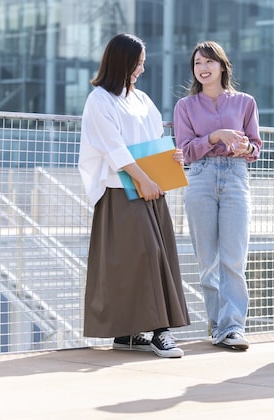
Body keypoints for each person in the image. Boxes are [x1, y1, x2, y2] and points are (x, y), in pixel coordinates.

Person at [78, 33, 190, 358]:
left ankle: (127, 334)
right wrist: (141, 179)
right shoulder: (99, 100)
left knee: (151, 256)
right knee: (146, 254)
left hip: (150, 187)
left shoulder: (140, 99)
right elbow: (113, 148)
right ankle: (159, 331)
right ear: (122, 62)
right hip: (122, 190)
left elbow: (155, 137)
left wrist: (173, 158)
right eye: (137, 62)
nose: (141, 68)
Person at [173, 41, 261, 351]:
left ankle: (233, 327)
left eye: (209, 61)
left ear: (222, 65)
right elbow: (184, 151)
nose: (203, 68)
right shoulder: (185, 107)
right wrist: (215, 136)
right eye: (197, 63)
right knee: (207, 260)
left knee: (234, 259)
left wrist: (246, 148)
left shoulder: (245, 102)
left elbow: (256, 147)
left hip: (236, 177)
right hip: (200, 178)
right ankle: (217, 324)